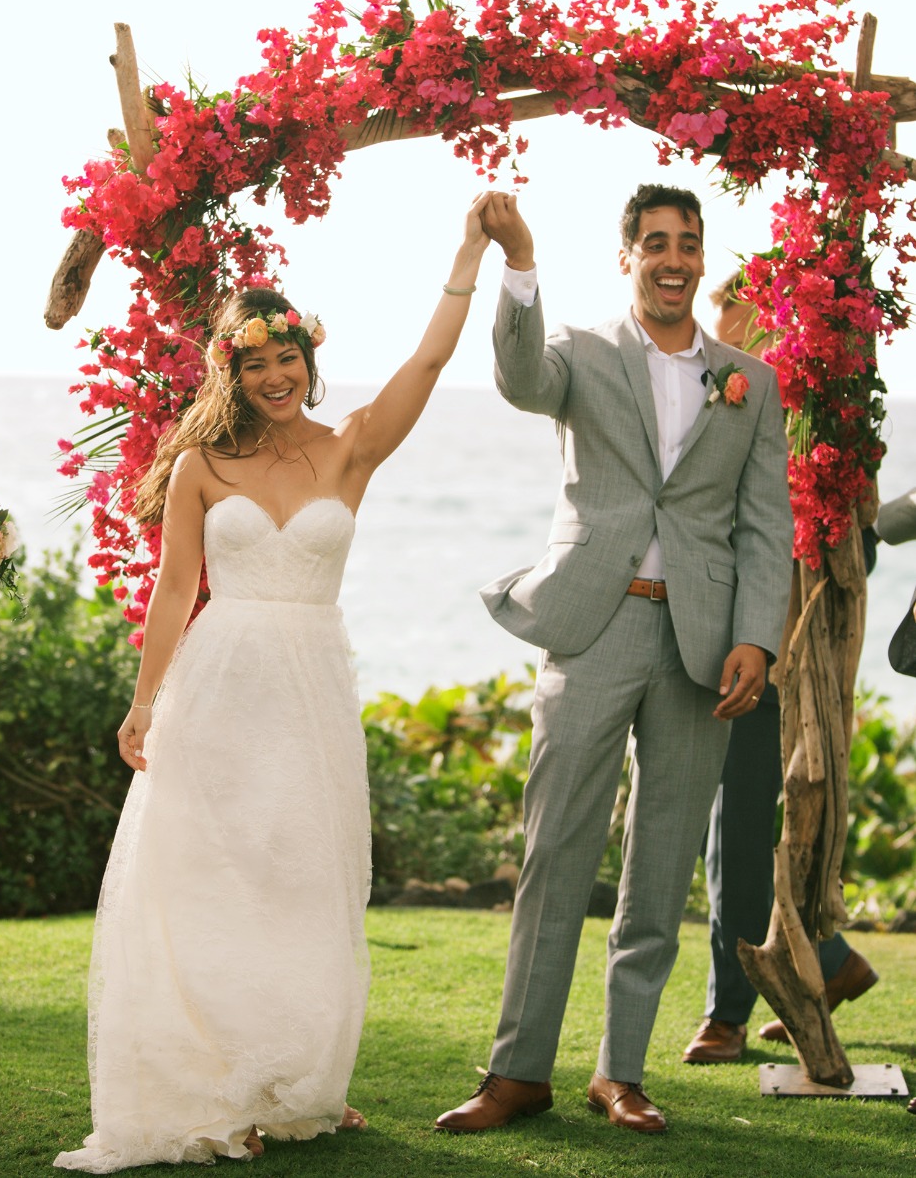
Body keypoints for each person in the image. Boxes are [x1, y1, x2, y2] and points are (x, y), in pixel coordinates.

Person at [55, 196, 492, 1171]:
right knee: (226, 880)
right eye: (255, 362)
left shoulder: (349, 448)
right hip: (221, 685)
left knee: (310, 879)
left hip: (313, 687)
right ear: (233, 371)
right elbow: (174, 593)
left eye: (286, 358)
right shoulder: (202, 466)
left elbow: (428, 365)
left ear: (306, 359)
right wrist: (141, 702)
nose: (276, 375)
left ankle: (302, 1084)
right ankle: (229, 1084)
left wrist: (469, 253)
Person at [435, 185, 794, 1136]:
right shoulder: (582, 356)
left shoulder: (751, 382)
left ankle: (620, 1071)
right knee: (555, 851)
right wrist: (518, 264)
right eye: (655, 244)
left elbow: (766, 526)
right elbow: (518, 378)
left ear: (701, 255)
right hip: (593, 629)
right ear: (627, 255)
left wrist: (756, 636)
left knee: (662, 864)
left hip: (702, 648)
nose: (673, 259)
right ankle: (518, 1070)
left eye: (688, 243)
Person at [682, 274, 879, 1064]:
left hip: (772, 648)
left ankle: (730, 1009)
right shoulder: (729, 404)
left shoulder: (802, 429)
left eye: (733, 320)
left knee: (736, 826)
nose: (718, 335)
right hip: (717, 635)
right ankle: (829, 963)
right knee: (725, 828)